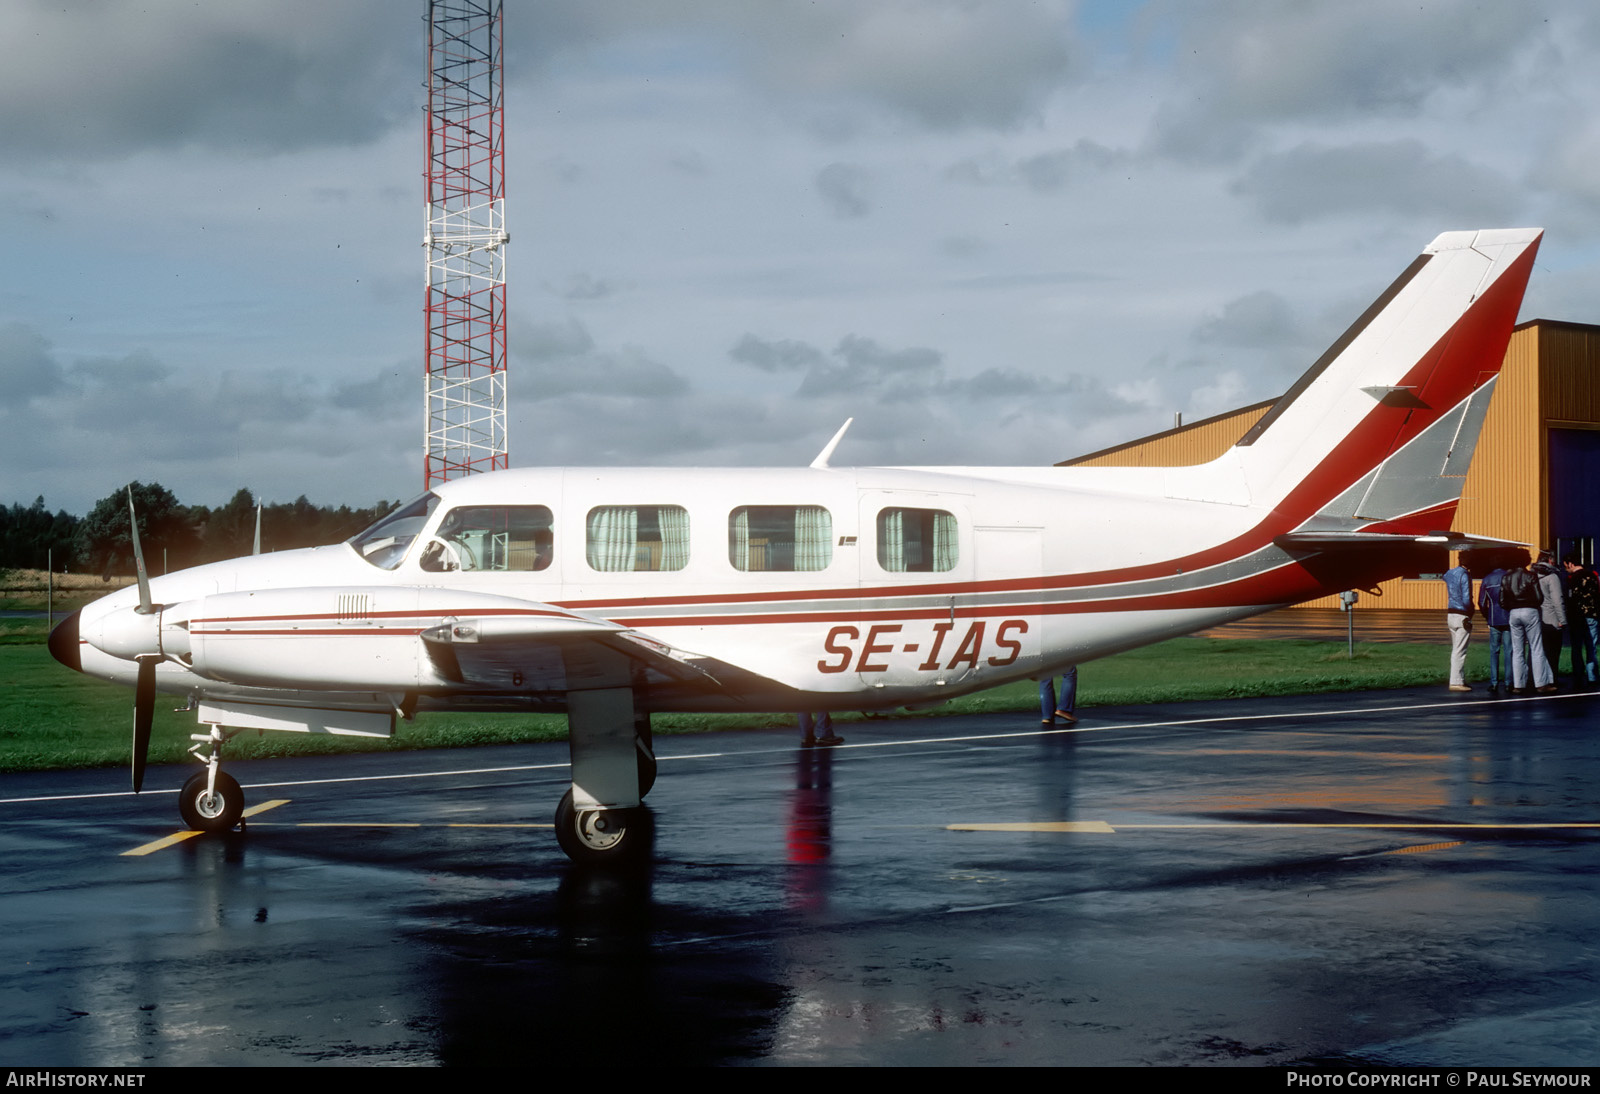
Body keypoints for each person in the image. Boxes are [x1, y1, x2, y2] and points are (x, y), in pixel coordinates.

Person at [1501, 552, 1553, 693]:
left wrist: (1512, 607)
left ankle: (1518, 684)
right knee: (1536, 647)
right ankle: (1541, 684)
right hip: (1530, 611)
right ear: (1526, 561)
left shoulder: (1506, 577)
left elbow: (1502, 601)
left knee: (1517, 650)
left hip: (1513, 613)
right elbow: (1538, 597)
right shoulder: (1531, 576)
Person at [1564, 554, 1600, 687]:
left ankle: (1578, 677)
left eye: (1565, 566)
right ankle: (1592, 677)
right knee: (1591, 647)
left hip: (1576, 617)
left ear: (1570, 564)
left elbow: (1570, 599)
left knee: (1576, 647)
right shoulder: (1593, 575)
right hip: (1592, 615)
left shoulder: (1571, 578)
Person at [1533, 550, 1567, 685]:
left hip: (1537, 617)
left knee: (1538, 651)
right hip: (1552, 618)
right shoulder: (1552, 577)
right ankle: (1552, 678)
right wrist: (1563, 620)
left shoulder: (1532, 574)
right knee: (1553, 651)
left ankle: (1537, 678)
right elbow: (1557, 600)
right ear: (1550, 560)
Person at [1478, 564, 1511, 696]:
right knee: (1509, 651)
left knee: (1494, 651)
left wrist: (1487, 616)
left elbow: (1481, 602)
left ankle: (1494, 682)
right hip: (1508, 617)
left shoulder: (1487, 579)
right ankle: (1509, 682)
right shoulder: (1508, 577)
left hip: (1493, 618)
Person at [1444, 557, 1473, 692]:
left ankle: (1458, 678)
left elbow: (1444, 576)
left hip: (1451, 613)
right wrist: (1471, 610)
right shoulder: (1465, 575)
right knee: (1460, 650)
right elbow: (1466, 598)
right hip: (1462, 613)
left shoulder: (1450, 573)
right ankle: (1456, 681)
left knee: (1456, 648)